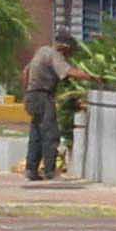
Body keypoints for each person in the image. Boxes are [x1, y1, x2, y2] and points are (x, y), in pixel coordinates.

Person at [21, 34, 83, 182]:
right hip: (43, 96)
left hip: (32, 95)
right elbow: (69, 71)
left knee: (36, 134)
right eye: (70, 52)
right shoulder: (54, 54)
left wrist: (26, 93)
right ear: (64, 47)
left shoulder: (42, 51)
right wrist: (92, 77)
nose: (70, 55)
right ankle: (50, 172)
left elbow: (25, 72)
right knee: (50, 134)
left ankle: (31, 170)